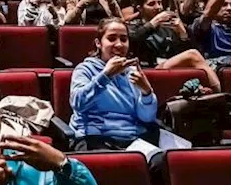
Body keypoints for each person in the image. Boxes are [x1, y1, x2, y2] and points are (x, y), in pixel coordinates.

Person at [68, 18, 161, 150]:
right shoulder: (85, 69)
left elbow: (147, 118)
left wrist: (147, 92)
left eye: (123, 39)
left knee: (161, 161)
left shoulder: (132, 72)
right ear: (98, 43)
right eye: (111, 38)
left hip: (132, 139)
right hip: (95, 138)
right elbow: (79, 104)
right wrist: (106, 76)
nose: (119, 45)